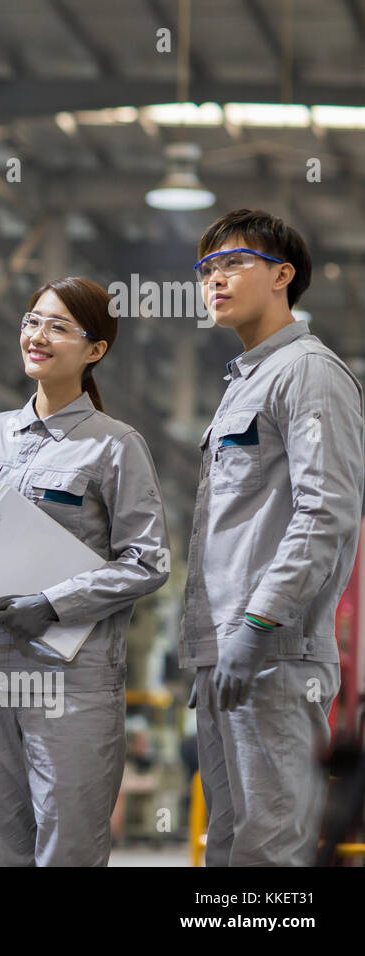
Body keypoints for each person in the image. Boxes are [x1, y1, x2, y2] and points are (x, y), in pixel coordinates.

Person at [0, 276, 171, 866]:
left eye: (58, 326)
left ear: (95, 350)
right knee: (0, 839)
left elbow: (148, 560)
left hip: (72, 675)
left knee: (67, 844)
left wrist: (53, 601)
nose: (37, 335)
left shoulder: (115, 446)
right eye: (31, 320)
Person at [182, 209, 364, 866]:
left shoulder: (308, 374)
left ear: (283, 275)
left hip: (274, 655)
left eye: (234, 263)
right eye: (207, 269)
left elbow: (325, 513)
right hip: (227, 658)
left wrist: (258, 622)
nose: (216, 279)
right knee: (229, 845)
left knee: (270, 851)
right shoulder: (244, 384)